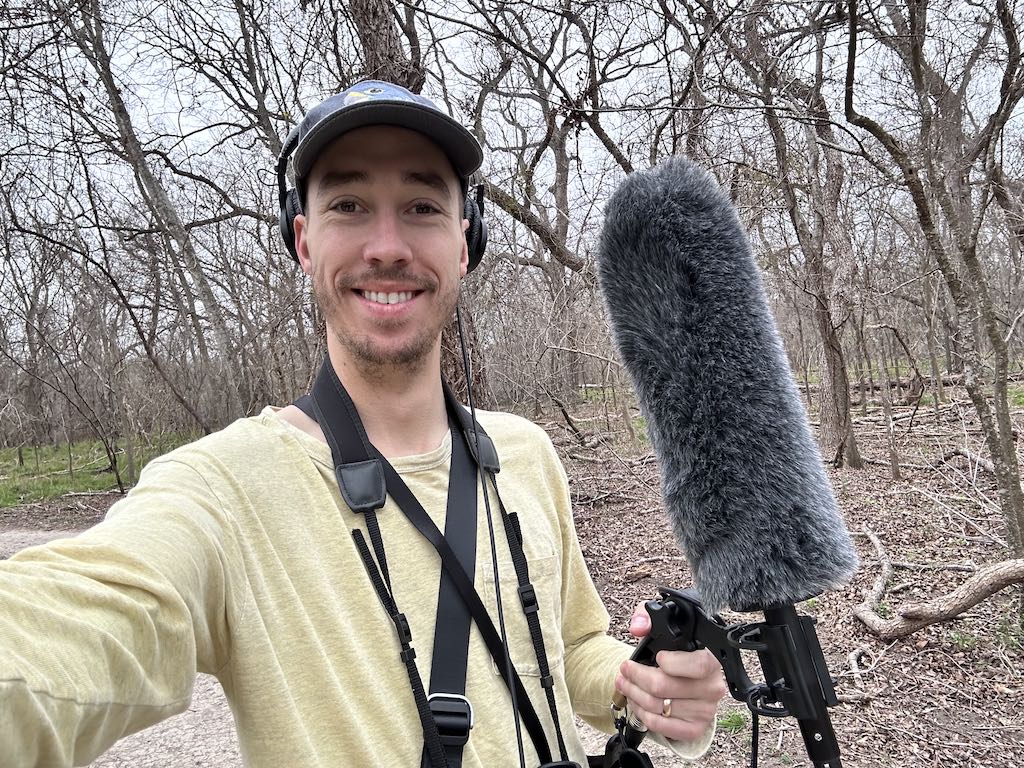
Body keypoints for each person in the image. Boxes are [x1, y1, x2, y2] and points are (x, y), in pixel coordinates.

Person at [0, 80, 726, 767]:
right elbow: (71, 625)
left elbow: (569, 654)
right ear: (304, 241)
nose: (387, 245)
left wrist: (642, 686)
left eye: (421, 207)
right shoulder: (221, 489)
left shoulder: (525, 452)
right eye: (348, 204)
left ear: (464, 243)